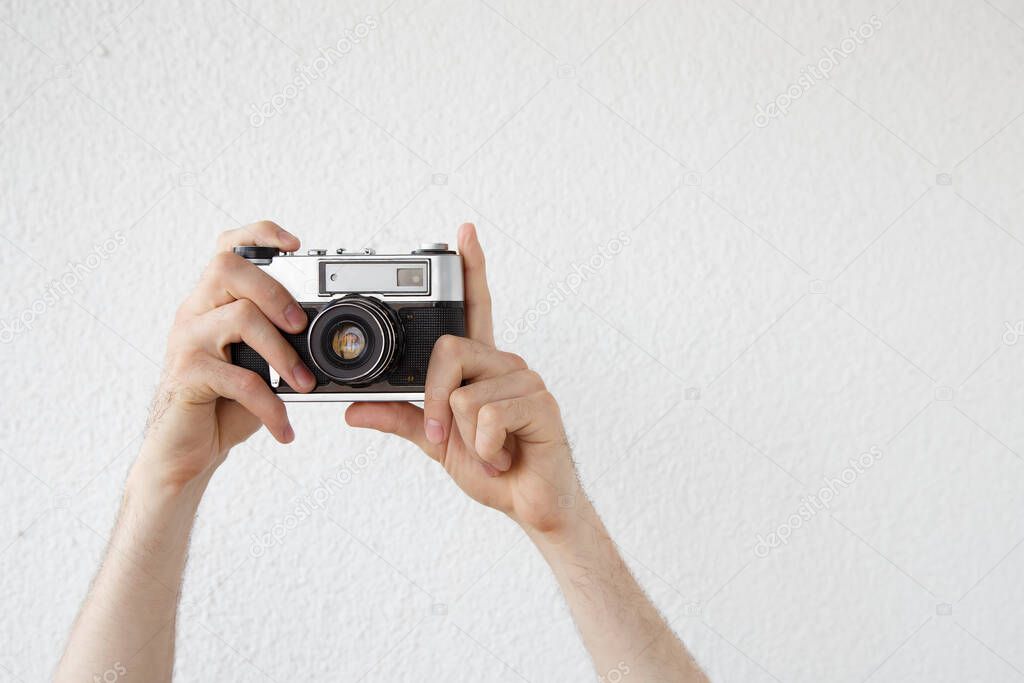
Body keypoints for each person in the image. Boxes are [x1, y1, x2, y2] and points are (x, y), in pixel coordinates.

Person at [55, 222, 709, 682]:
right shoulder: (177, 462)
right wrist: (165, 480)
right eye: (327, 306)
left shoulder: (548, 503)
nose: (349, 337)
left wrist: (564, 524)